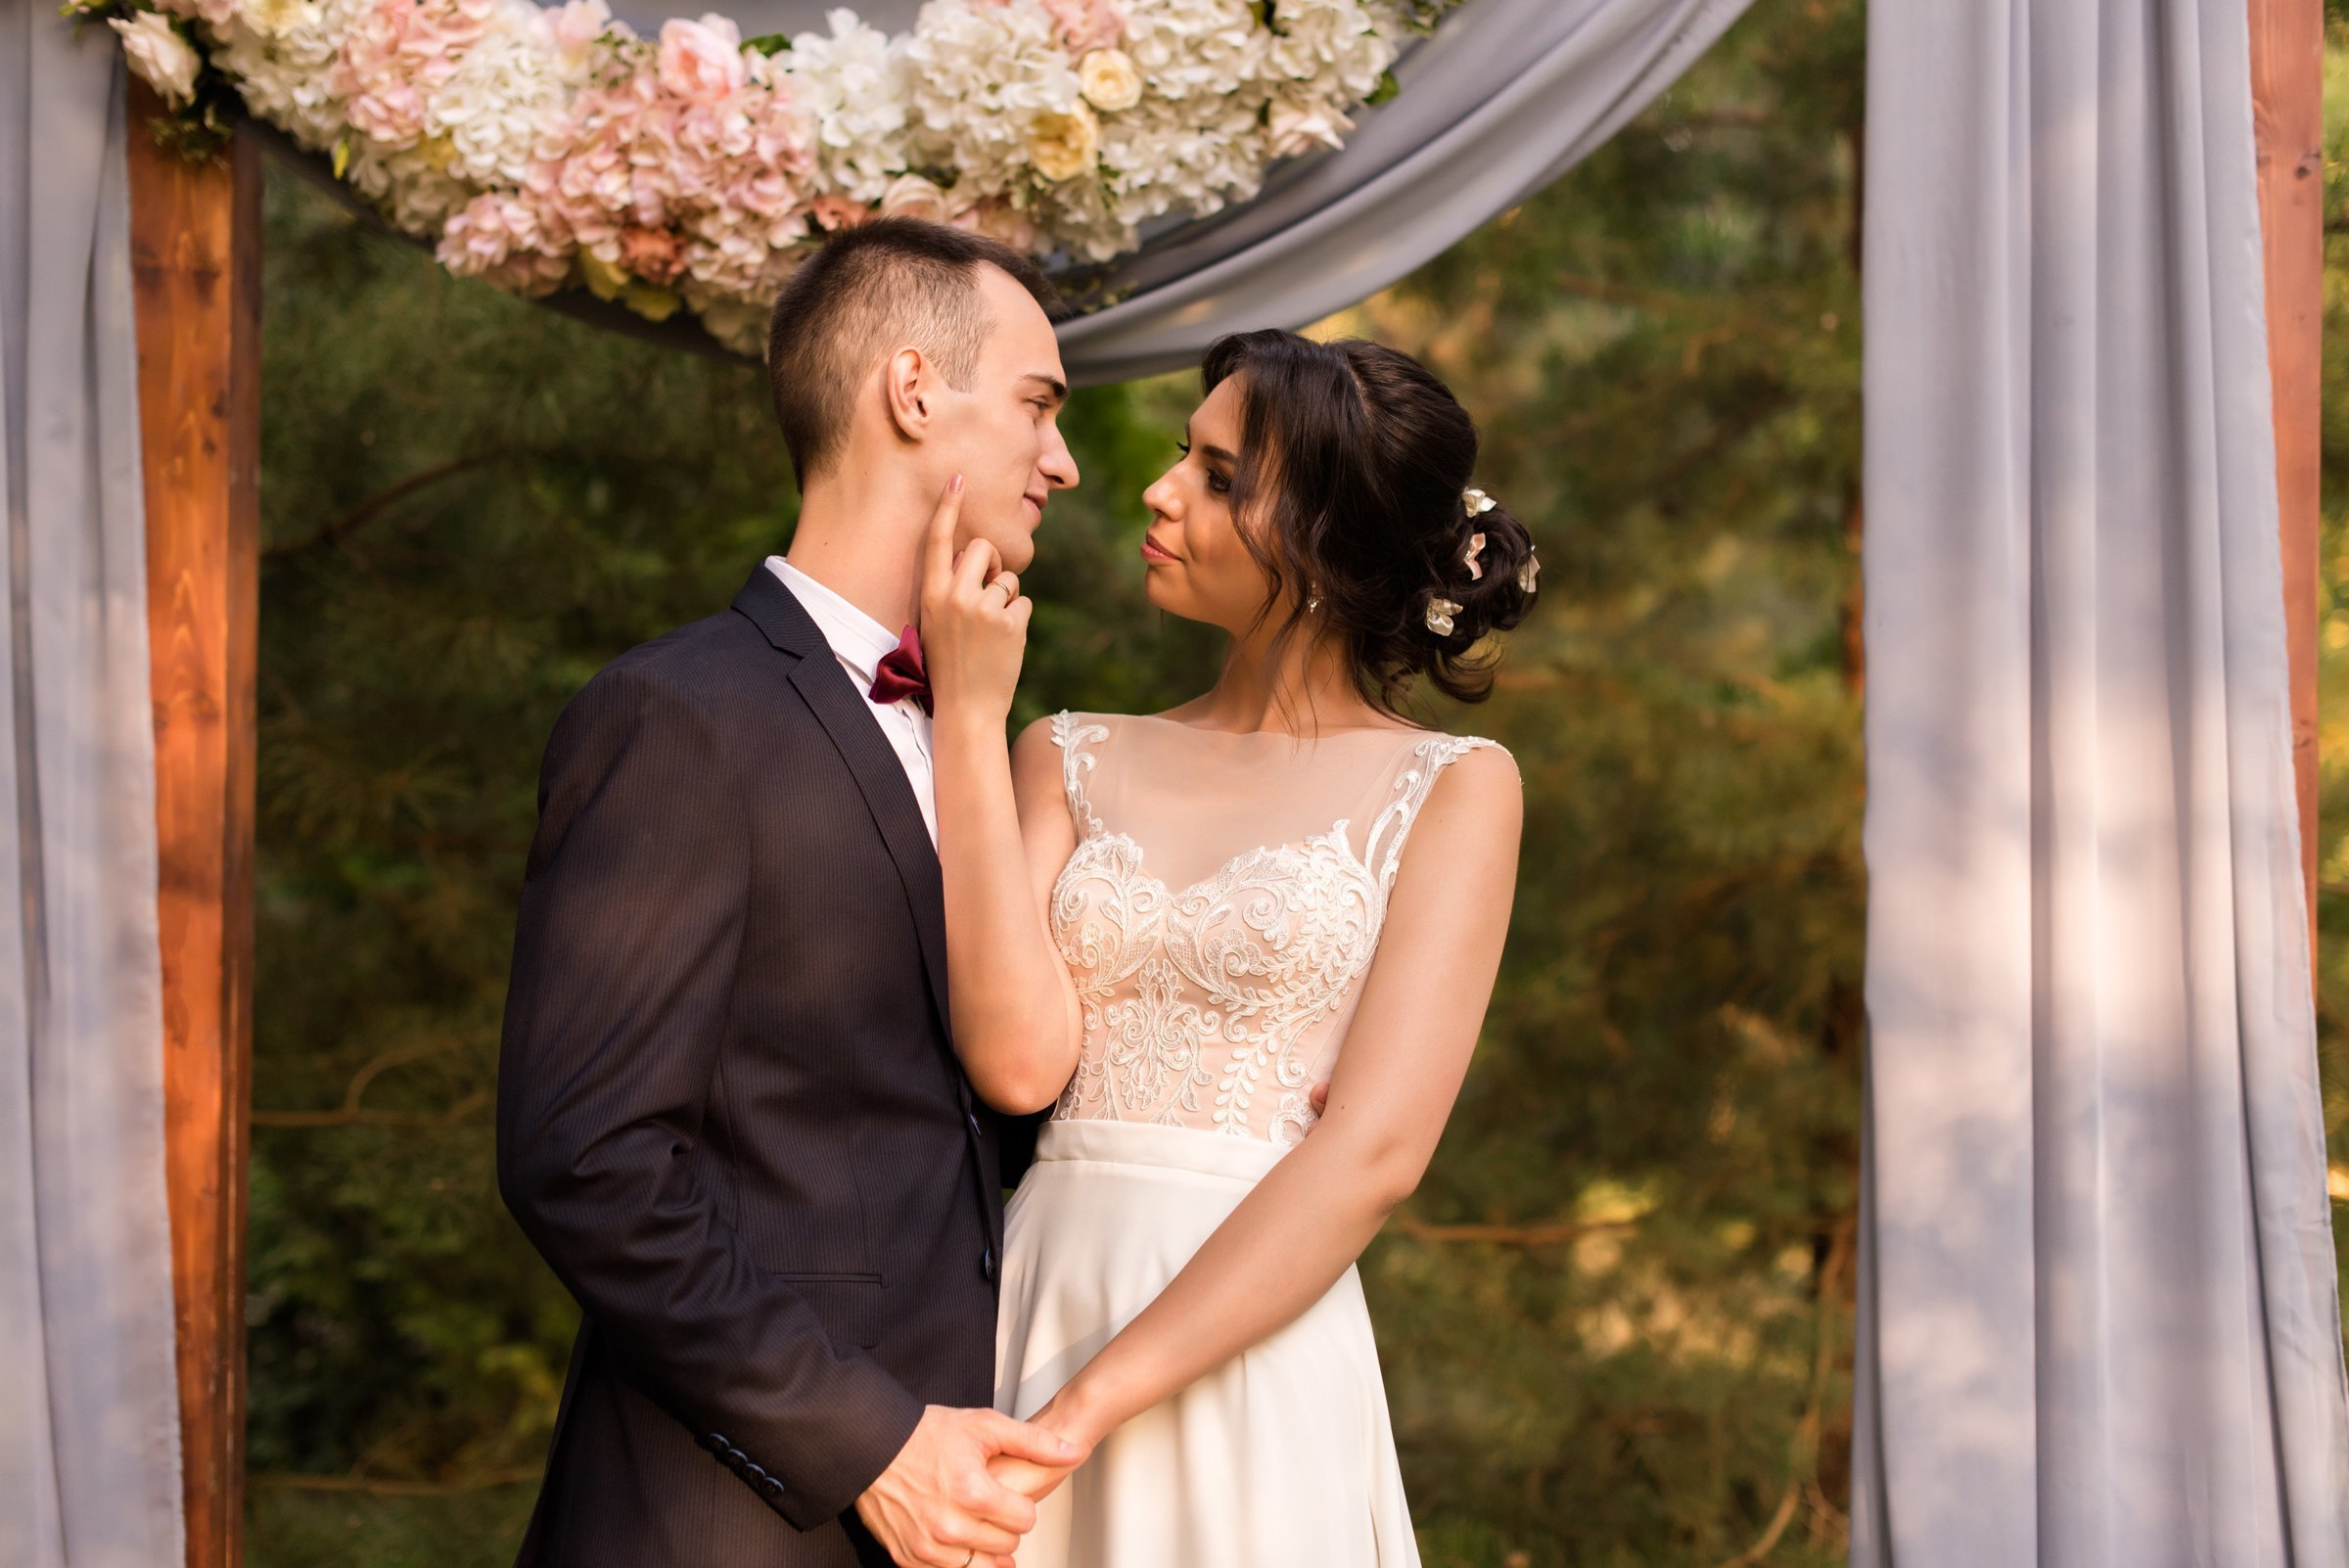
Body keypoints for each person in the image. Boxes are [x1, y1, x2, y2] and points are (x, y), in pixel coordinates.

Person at [495, 217, 1085, 1568]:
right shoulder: (676, 716)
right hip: (721, 1517)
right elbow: (588, 1160)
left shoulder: (986, 731)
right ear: (914, 387)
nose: (1059, 460)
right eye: (1039, 406)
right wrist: (867, 1440)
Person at [919, 327, 1536, 1566]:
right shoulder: (1064, 752)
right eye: (1181, 455)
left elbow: (1372, 1154)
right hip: (1040, 1298)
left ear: (1324, 535)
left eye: (1217, 475)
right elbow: (1012, 1062)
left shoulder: (1456, 787)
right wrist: (971, 715)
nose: (1156, 489)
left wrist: (1092, 1404)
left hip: (1248, 1341)